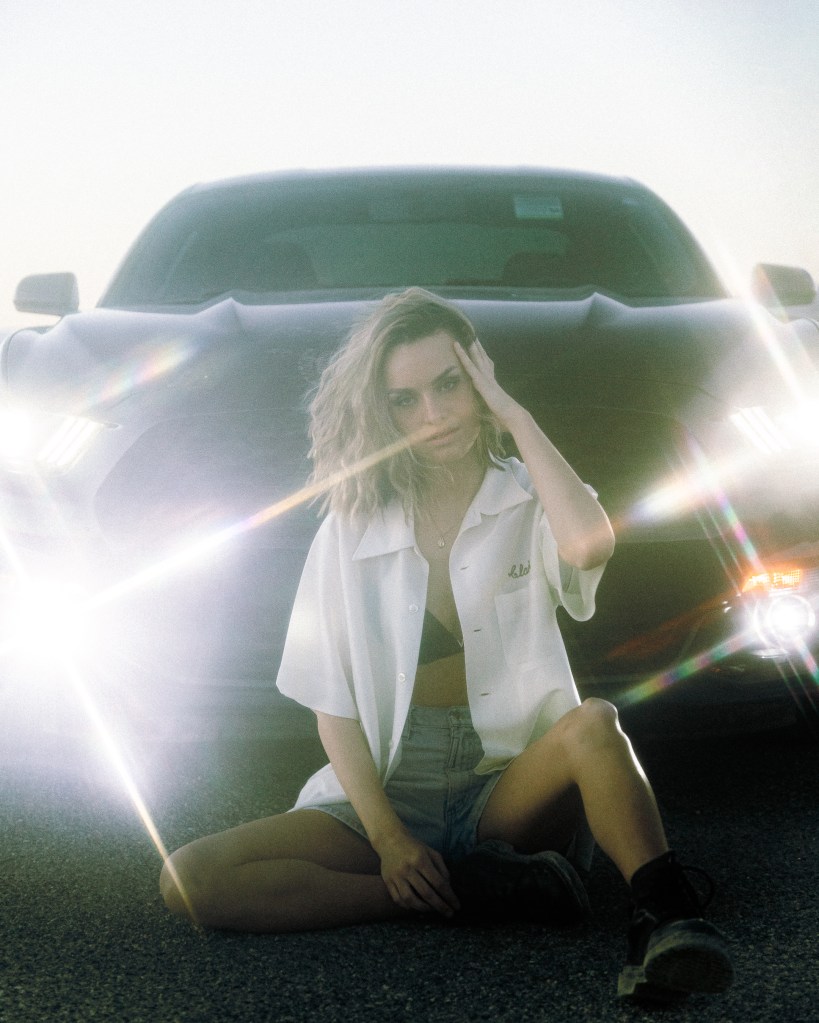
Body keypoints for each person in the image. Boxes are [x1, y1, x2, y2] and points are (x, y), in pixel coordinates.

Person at [160, 288, 733, 1004]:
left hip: (505, 786)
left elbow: (588, 544)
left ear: (478, 380)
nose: (433, 415)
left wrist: (515, 416)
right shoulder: (349, 529)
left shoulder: (527, 495)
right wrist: (390, 841)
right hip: (391, 781)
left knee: (594, 723)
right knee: (190, 878)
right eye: (404, 400)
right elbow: (331, 704)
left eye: (449, 385)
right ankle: (458, 890)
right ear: (380, 412)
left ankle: (669, 919)